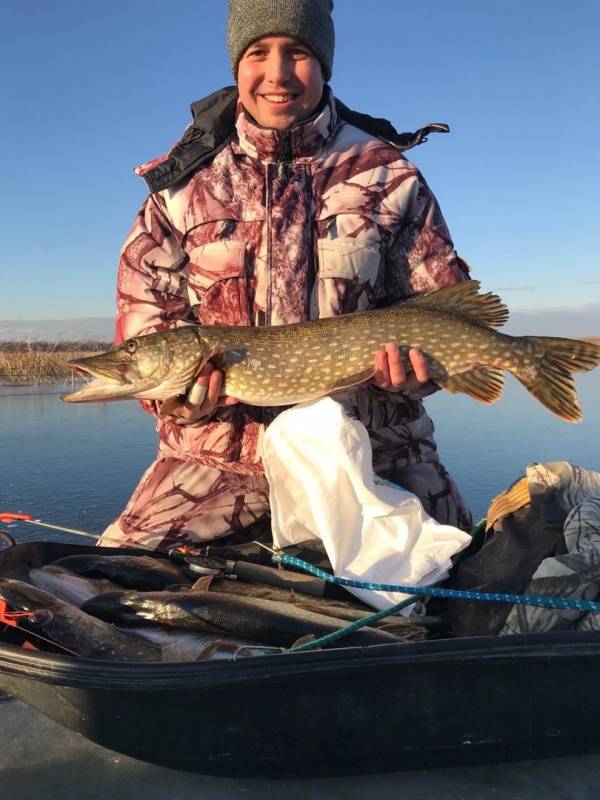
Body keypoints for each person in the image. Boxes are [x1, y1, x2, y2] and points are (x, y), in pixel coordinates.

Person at [98, 0, 473, 550]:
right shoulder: (179, 187)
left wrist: (419, 375)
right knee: (107, 586)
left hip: (377, 452)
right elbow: (146, 325)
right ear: (237, 67)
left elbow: (442, 306)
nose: (276, 74)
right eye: (257, 53)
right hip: (213, 464)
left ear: (324, 65)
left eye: (297, 52)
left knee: (455, 592)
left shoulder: (387, 174)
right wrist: (174, 400)